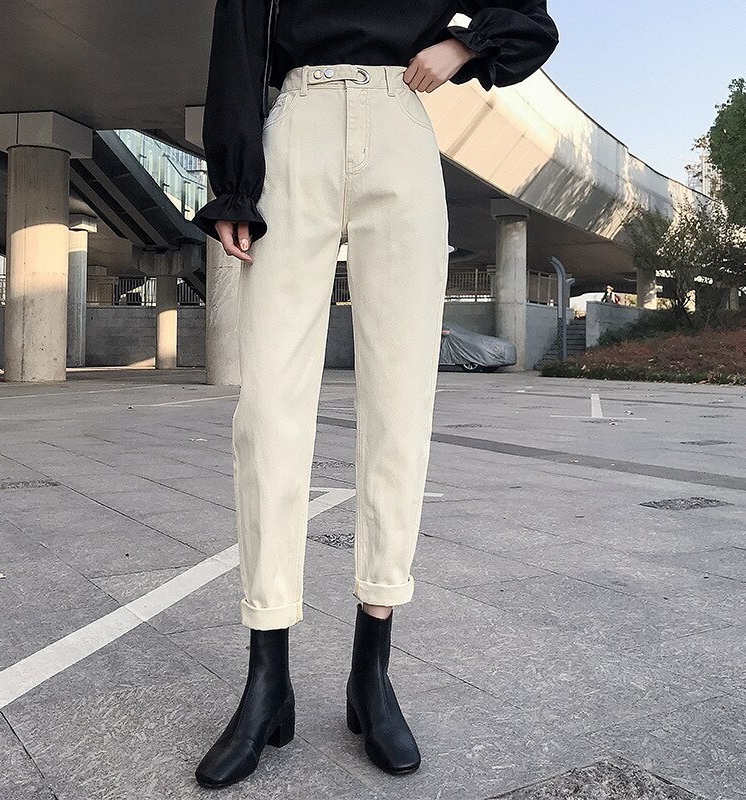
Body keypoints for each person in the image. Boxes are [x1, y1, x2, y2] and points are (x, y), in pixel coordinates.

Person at [190, 0, 559, 788]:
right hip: (297, 125)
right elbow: (238, 34)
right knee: (267, 413)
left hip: (400, 121)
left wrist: (466, 44)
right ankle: (267, 679)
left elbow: (529, 14)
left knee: (399, 406)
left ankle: (372, 672)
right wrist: (232, 183)